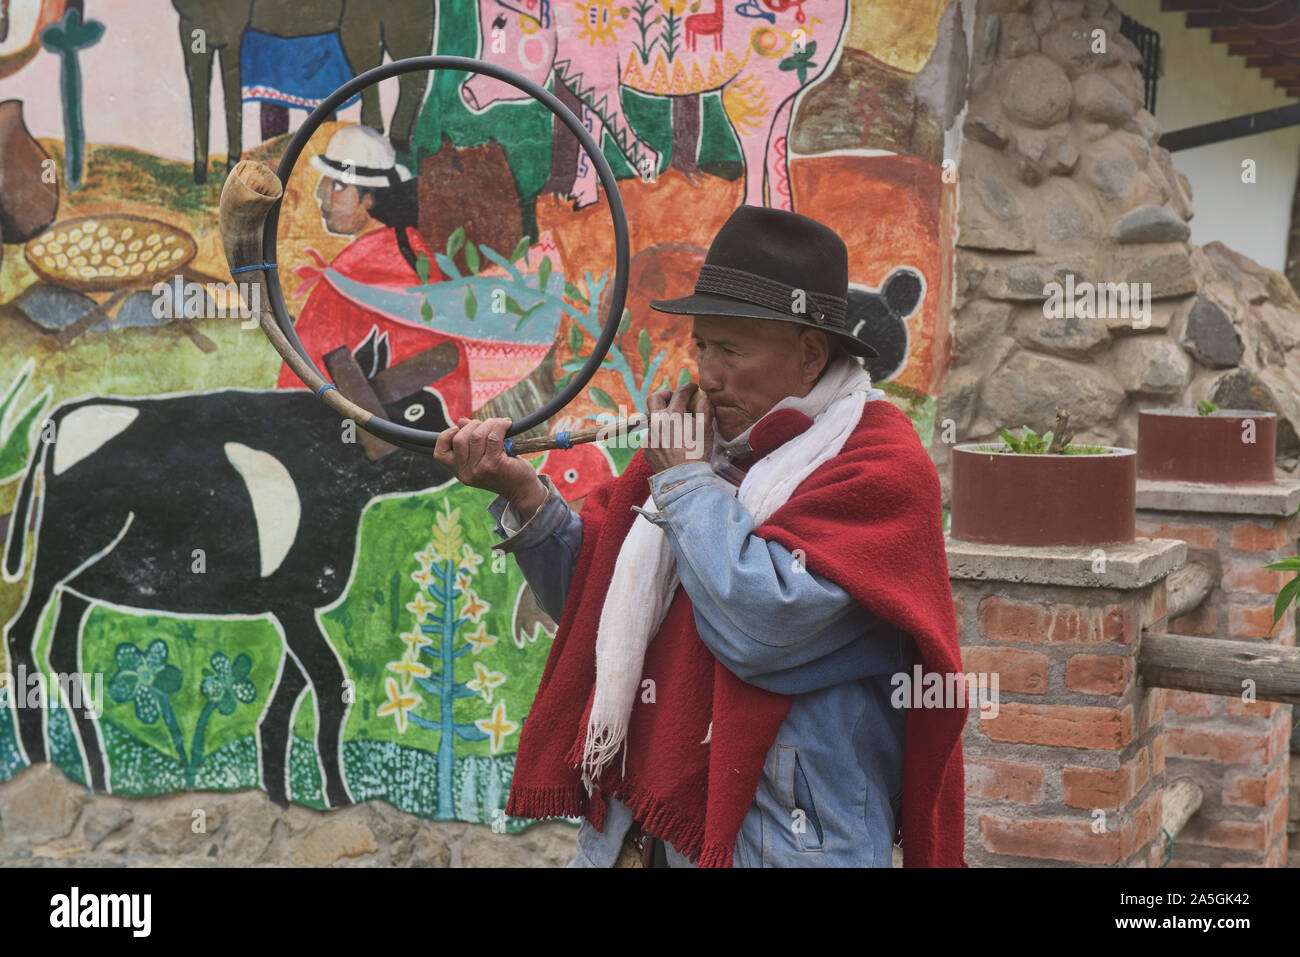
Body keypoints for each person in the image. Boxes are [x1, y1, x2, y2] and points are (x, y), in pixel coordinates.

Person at [433, 204, 967, 867]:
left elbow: (761, 626)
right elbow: (596, 600)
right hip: (649, 832)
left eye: (731, 349)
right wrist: (524, 494)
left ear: (810, 352)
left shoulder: (879, 467)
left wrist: (685, 484)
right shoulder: (702, 448)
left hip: (788, 842)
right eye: (702, 347)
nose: (706, 376)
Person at [277, 124, 473, 422]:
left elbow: (302, 373)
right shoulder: (413, 247)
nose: (321, 195)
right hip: (440, 426)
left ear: (369, 199)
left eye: (338, 186)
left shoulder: (355, 268)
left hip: (390, 430)